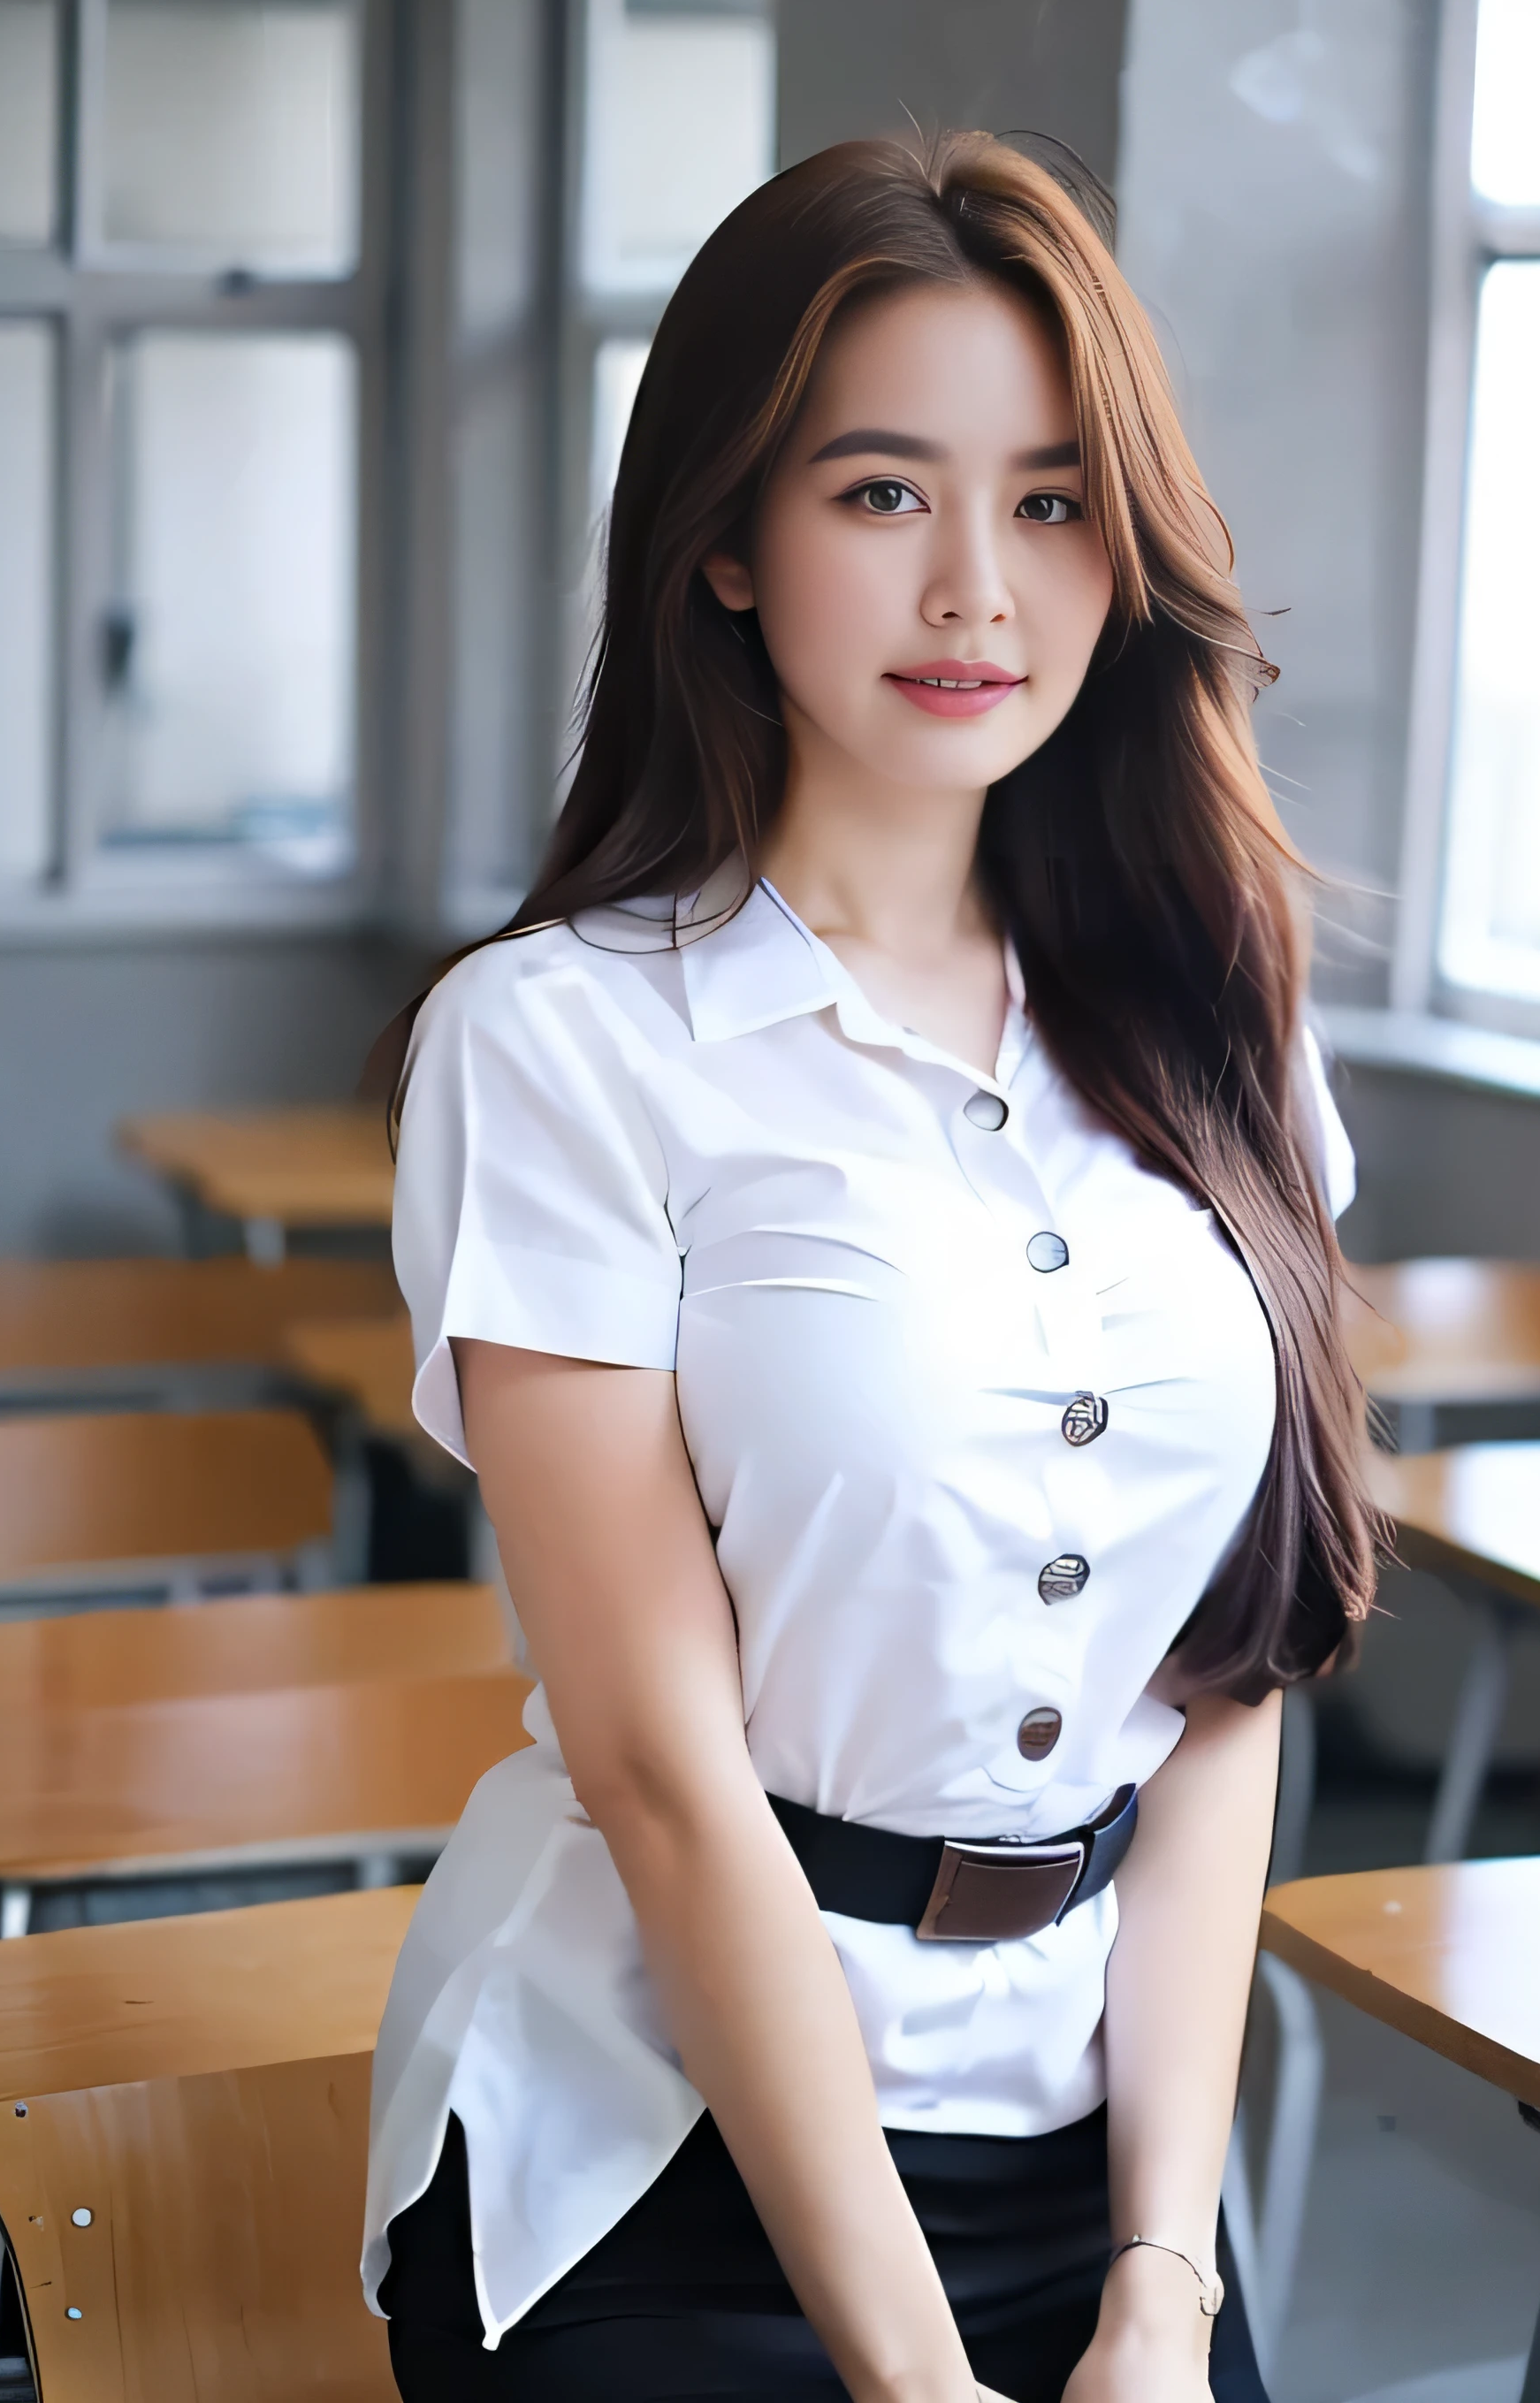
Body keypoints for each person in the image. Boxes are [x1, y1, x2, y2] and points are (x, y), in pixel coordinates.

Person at [363, 131, 1379, 2403]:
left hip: (1101, 2142)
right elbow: (658, 1773)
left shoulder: (1222, 1001)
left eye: (1045, 503)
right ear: (721, 542)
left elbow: (1220, 1693)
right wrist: (921, 2387)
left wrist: (1163, 2287)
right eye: (879, 496)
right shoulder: (558, 1044)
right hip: (665, 2140)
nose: (975, 598)